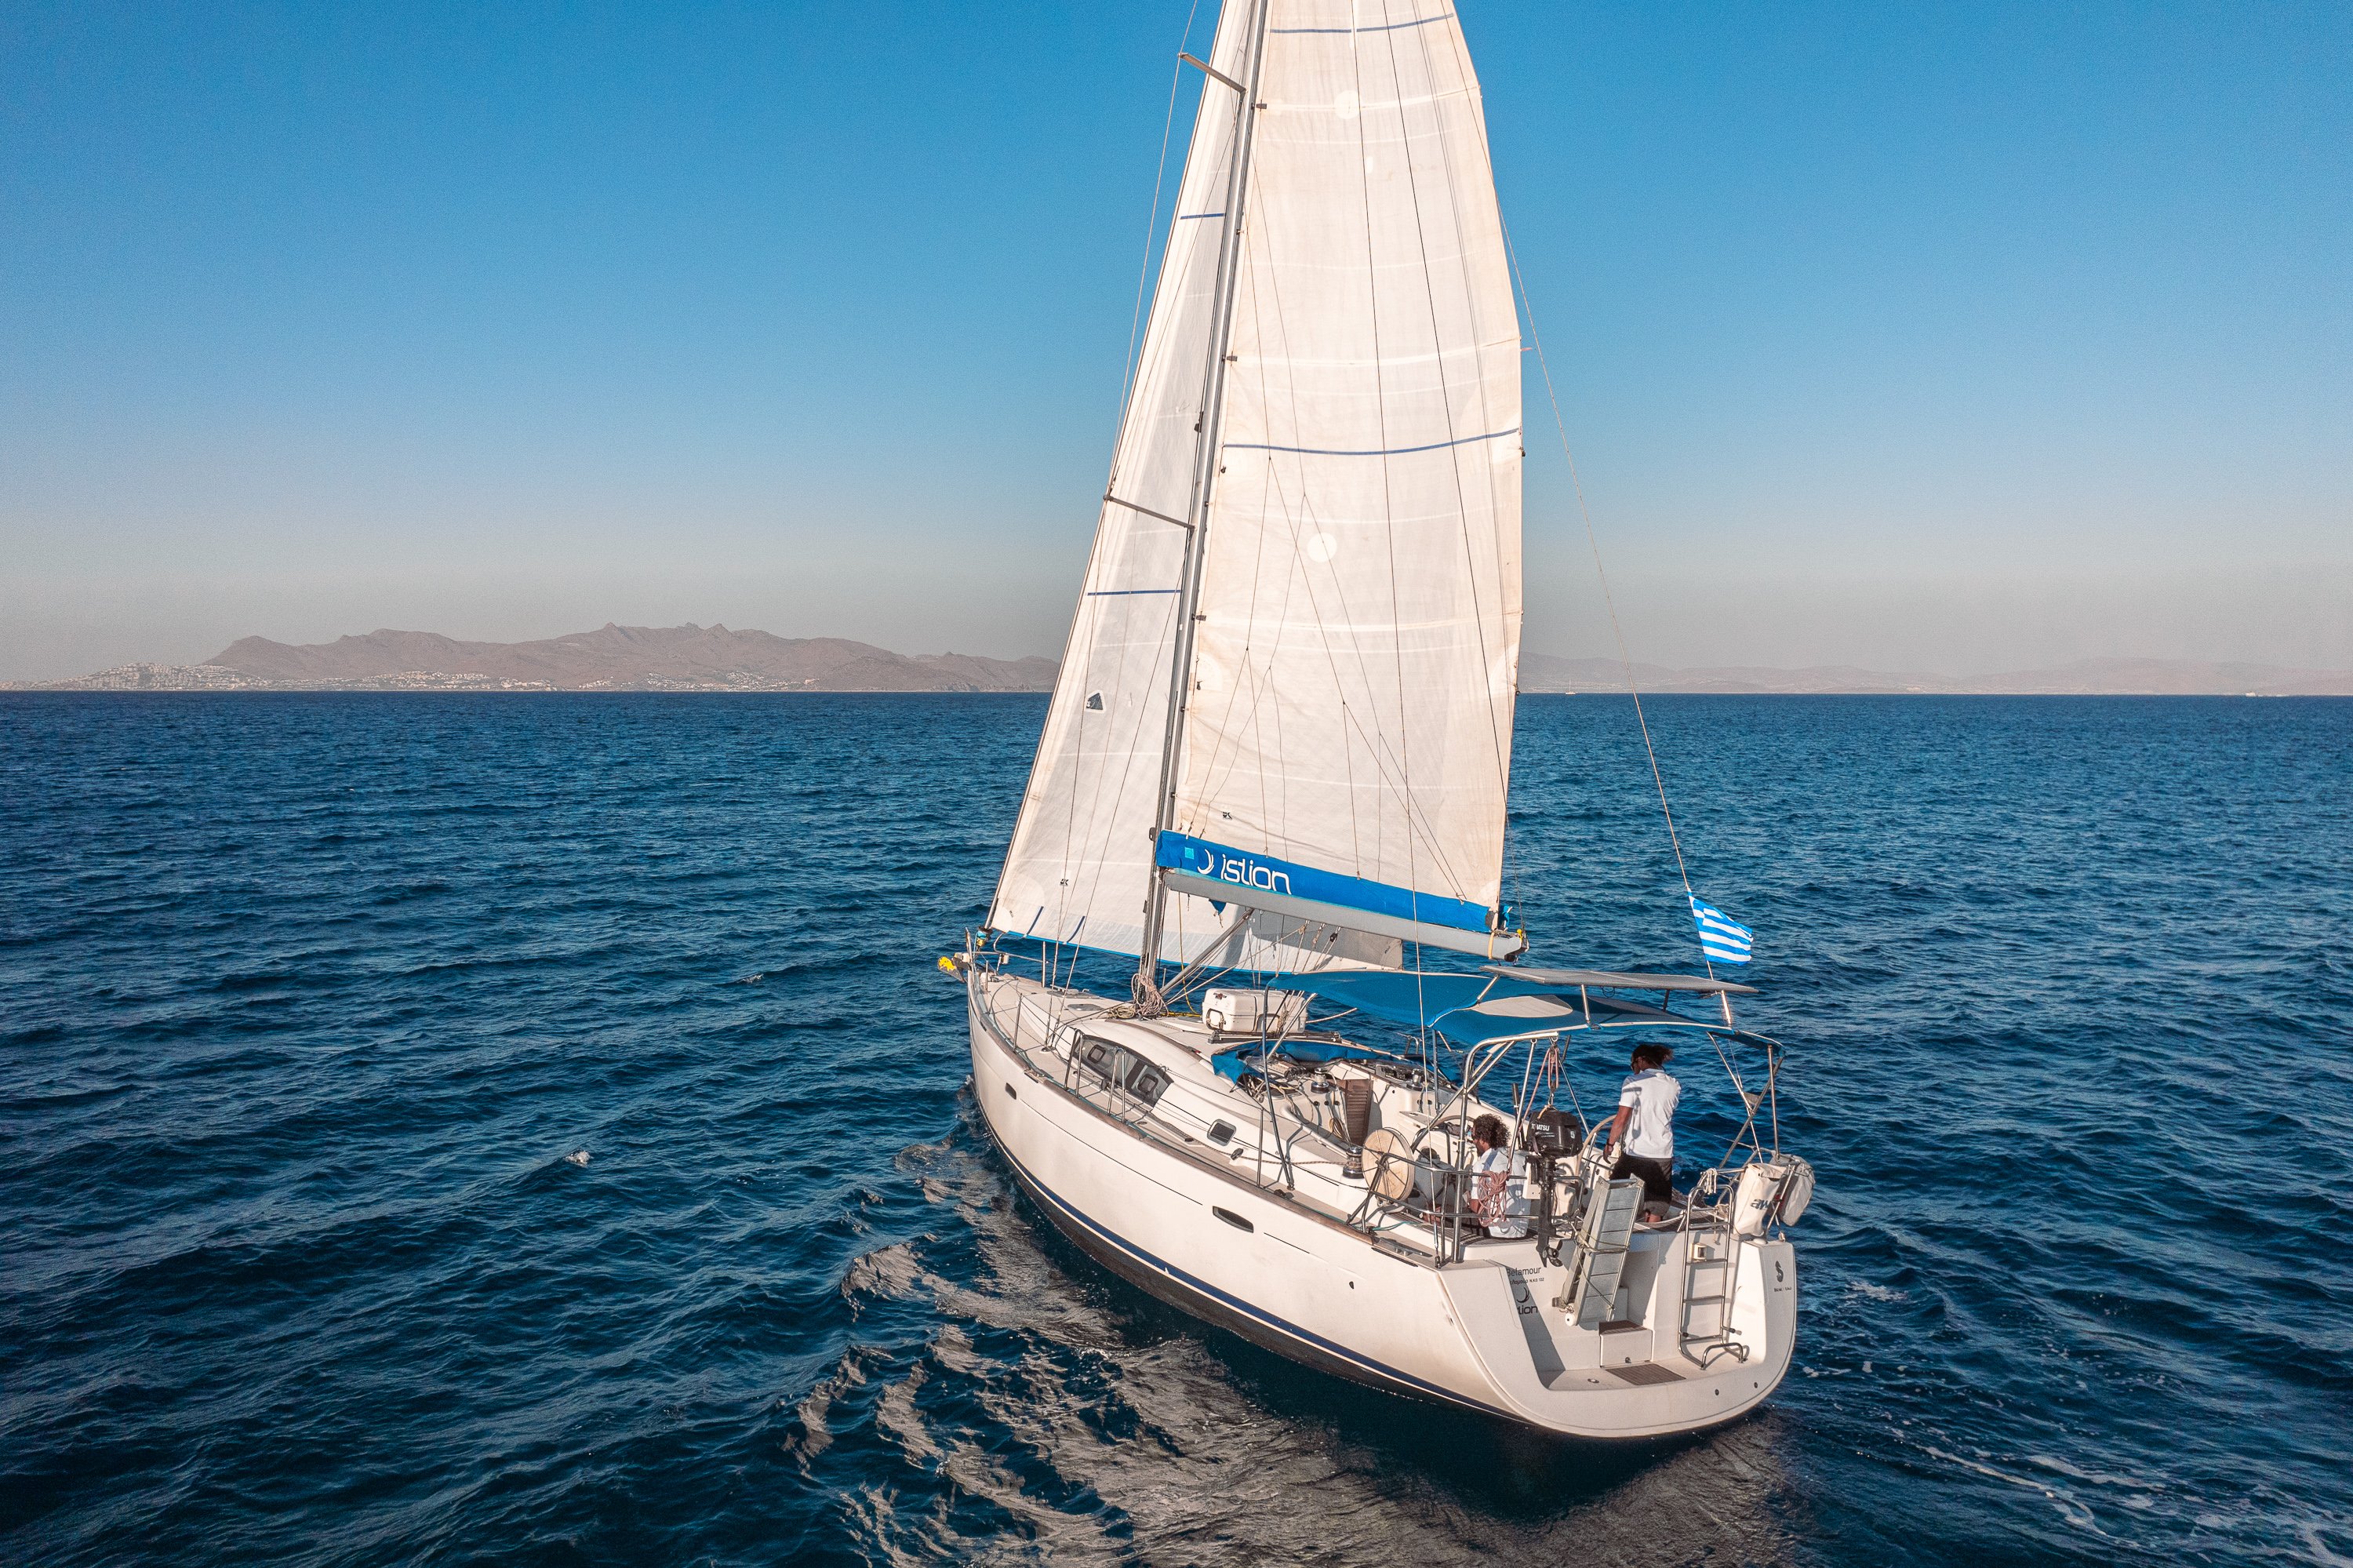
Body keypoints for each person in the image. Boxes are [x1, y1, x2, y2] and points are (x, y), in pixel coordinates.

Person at [1607, 1043, 1681, 1218]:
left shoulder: (1633, 1082)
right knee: (1657, 1202)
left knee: (1614, 1195)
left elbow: (1621, 1119)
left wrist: (1610, 1144)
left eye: (1633, 1064)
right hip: (1662, 1153)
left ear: (1640, 1060)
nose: (1633, 1069)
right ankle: (1651, 1235)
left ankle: (1612, 1233)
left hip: (1636, 1152)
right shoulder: (1674, 1085)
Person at [1470, 1114, 1530, 1239]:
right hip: (1522, 1232)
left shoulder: (1482, 1165)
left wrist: (1467, 1199)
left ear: (1482, 1139)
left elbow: (1477, 1207)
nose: (1474, 1141)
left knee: (1440, 1213)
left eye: (1474, 1137)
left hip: (1496, 1232)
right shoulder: (1521, 1159)